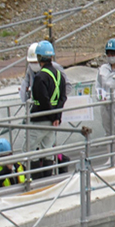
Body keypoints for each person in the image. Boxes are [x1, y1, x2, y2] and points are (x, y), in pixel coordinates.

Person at [29, 40, 67, 178]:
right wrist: (57, 116)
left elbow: (43, 100)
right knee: (48, 149)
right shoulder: (59, 75)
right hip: (53, 121)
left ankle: (36, 180)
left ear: (39, 58)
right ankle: (48, 179)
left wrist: (52, 115)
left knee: (29, 150)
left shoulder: (40, 77)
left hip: (40, 118)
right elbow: (63, 97)